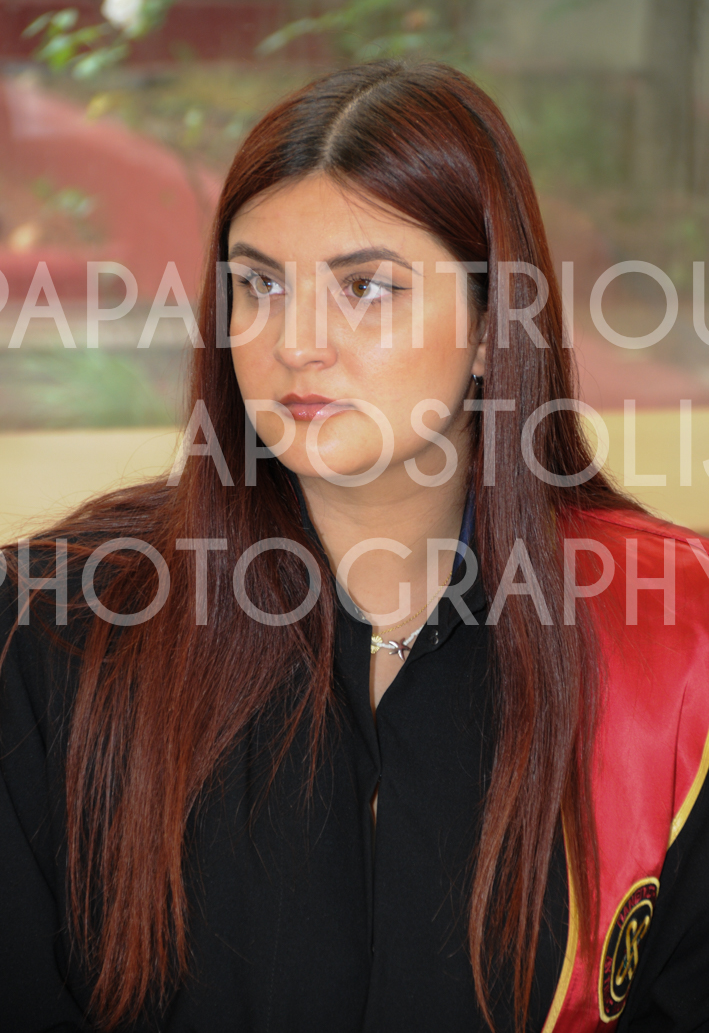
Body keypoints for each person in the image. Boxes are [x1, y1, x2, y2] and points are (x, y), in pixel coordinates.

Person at [1, 60, 708, 1033]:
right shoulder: (55, 627)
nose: (297, 342)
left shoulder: (669, 639)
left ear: (490, 326)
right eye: (258, 284)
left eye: (366, 287)